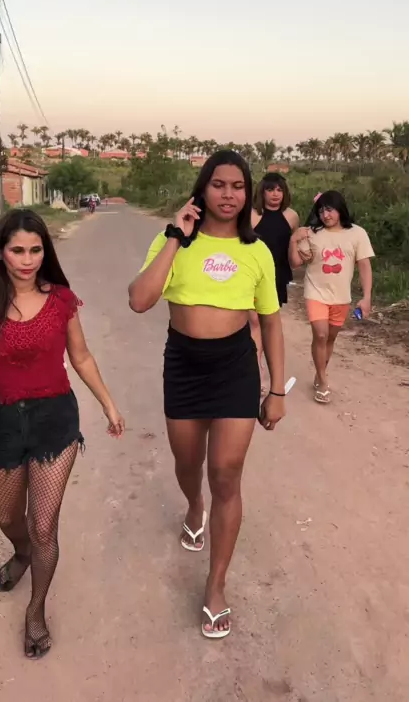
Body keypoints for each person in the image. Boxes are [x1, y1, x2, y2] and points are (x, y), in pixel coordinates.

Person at [128, 150, 285, 640]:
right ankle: (193, 505)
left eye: (238, 186)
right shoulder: (172, 240)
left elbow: (272, 323)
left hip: (236, 367)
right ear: (203, 188)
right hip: (184, 365)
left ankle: (216, 586)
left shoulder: (257, 251)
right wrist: (176, 237)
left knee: (226, 474)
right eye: (219, 184)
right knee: (187, 464)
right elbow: (139, 300)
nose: (228, 195)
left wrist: (277, 389)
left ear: (248, 193)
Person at [0, 208, 124, 659]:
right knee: (9, 519)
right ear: (0, 253)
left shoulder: (61, 300)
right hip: (1, 424)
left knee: (44, 525)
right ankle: (21, 553)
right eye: (18, 250)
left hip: (55, 421)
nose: (28, 260)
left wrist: (108, 404)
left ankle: (36, 610)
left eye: (35, 250)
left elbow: (81, 357)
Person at [289, 190, 374, 404]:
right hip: (315, 292)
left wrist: (366, 297)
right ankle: (323, 381)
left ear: (340, 209)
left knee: (330, 338)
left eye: (329, 210)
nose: (325, 215)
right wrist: (294, 240)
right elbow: (296, 263)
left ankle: (320, 373)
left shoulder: (357, 234)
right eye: (321, 211)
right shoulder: (311, 233)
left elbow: (364, 266)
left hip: (341, 297)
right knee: (320, 334)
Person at [250, 173, 299, 390]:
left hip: (277, 276)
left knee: (267, 323)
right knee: (254, 322)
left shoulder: (291, 216)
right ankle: (257, 372)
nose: (275, 194)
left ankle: (262, 370)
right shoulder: (251, 215)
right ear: (262, 192)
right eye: (270, 190)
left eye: (279, 190)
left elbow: (293, 246)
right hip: (253, 276)